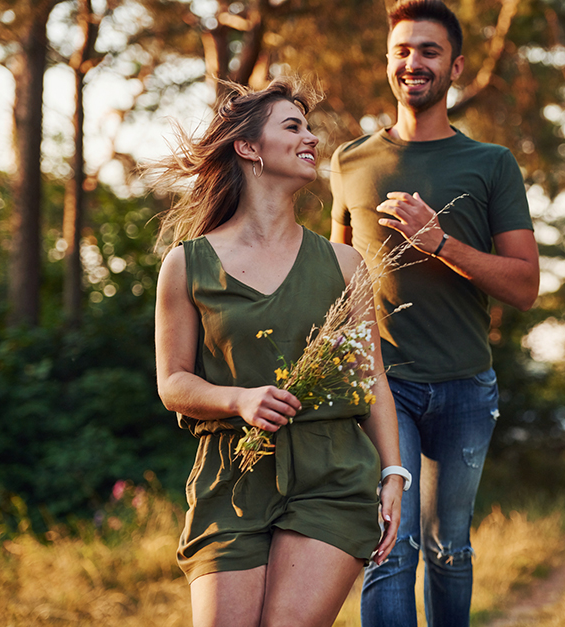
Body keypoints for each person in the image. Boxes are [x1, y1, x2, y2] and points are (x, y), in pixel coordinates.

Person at [153, 76, 409, 627]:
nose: (311, 137)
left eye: (309, 126)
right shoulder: (186, 265)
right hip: (231, 478)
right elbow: (172, 383)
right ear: (248, 148)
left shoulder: (344, 266)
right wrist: (238, 400)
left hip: (334, 475)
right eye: (293, 126)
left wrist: (393, 472)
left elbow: (373, 382)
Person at [329, 1, 541, 625]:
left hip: (466, 388)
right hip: (384, 387)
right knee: (390, 548)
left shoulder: (492, 164)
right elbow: (336, 282)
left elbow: (525, 285)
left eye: (428, 51)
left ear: (456, 67)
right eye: (402, 50)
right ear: (388, 62)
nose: (413, 62)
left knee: (449, 550)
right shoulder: (349, 162)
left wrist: (439, 244)